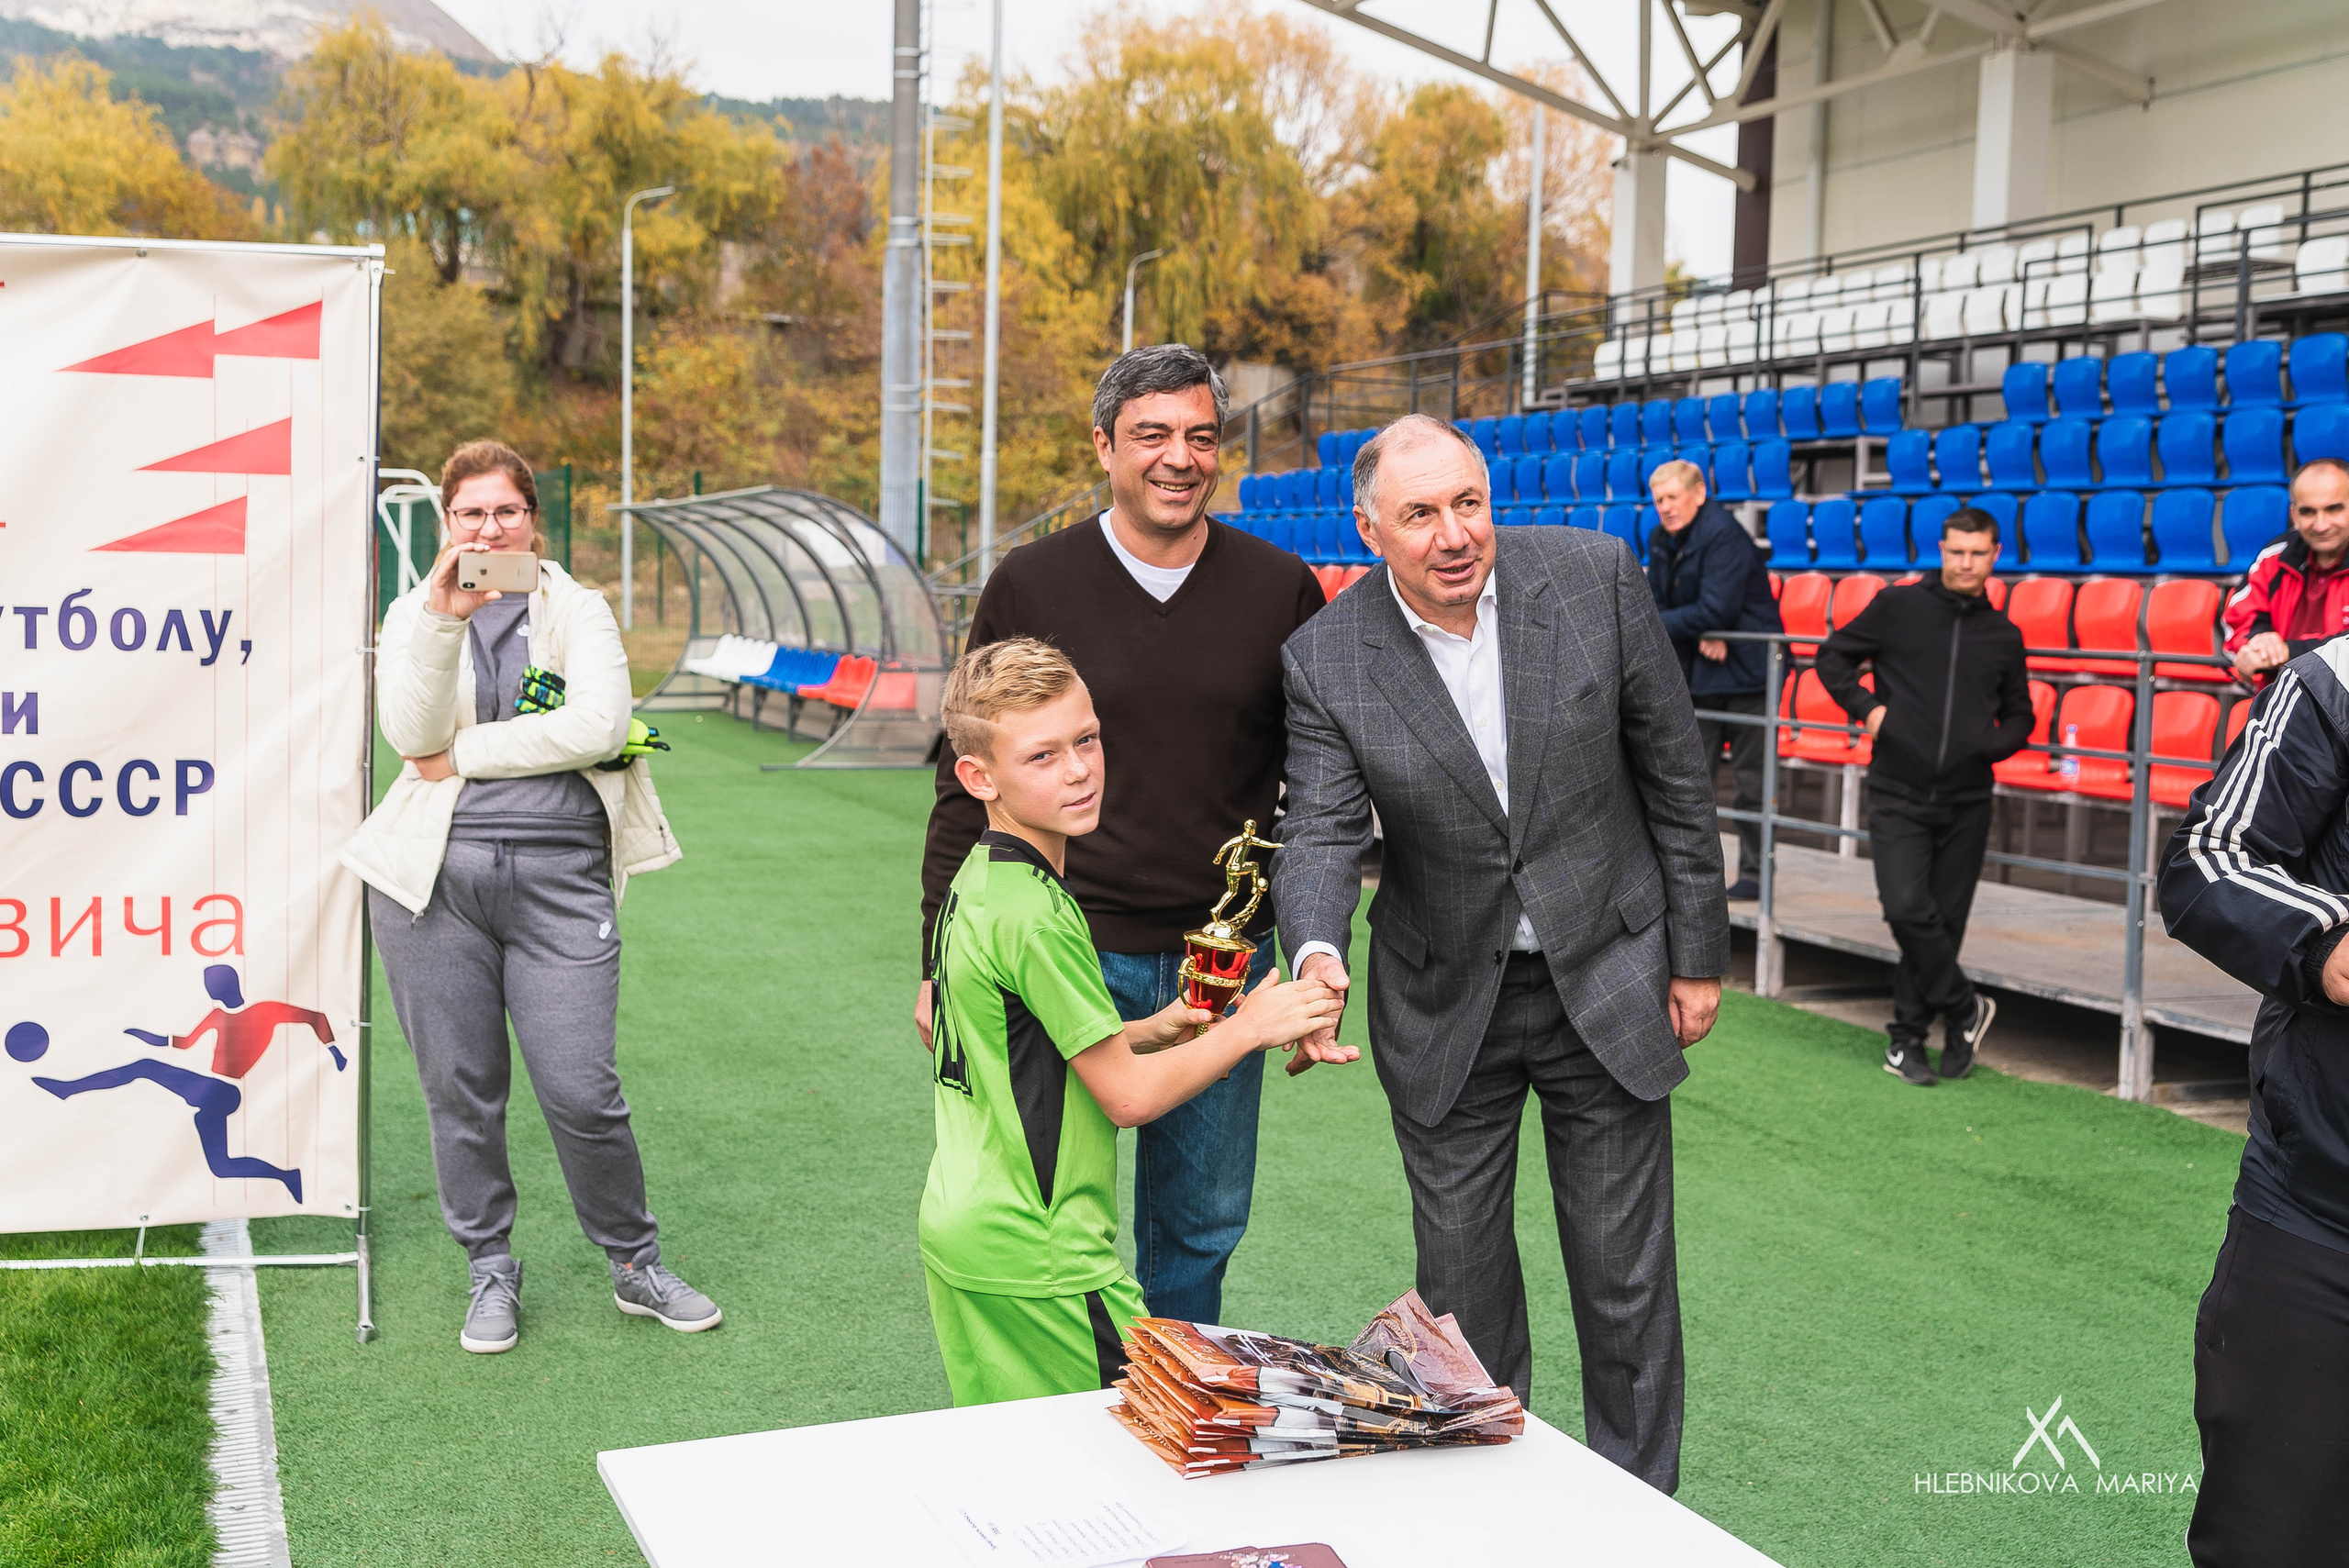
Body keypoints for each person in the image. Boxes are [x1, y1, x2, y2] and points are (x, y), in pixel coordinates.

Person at [1270, 413, 1728, 1494]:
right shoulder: (1325, 658)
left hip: (1609, 979)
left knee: (1624, 1288)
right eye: (1419, 512)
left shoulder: (1593, 577)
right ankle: (1491, 1519)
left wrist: (1696, 950)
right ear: (1371, 526)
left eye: (1466, 503)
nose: (1451, 533)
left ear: (1489, 499)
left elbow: (1674, 772)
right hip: (1445, 1005)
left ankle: (1636, 1518)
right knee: (1462, 1306)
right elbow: (1323, 831)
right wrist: (1316, 949)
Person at [918, 345, 1326, 1326]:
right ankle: (1073, 1409)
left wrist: (1315, 951)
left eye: (1199, 435)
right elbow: (958, 778)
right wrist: (933, 951)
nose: (1177, 456)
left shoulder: (1281, 589)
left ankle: (1170, 1414)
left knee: (1199, 1225)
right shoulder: (1032, 581)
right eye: (1150, 435)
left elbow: (1319, 794)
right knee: (1055, 1211)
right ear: (1104, 447)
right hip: (1066, 945)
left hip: (1218, 960)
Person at [340, 439, 710, 1357]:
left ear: (533, 522)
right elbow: (405, 734)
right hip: (431, 887)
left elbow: (600, 725)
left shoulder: (576, 606)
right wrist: (439, 616)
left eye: (505, 510)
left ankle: (634, 1260)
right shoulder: (415, 611)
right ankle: (490, 1268)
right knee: (461, 1090)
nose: (487, 527)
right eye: (470, 513)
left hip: (559, 881)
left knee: (581, 1086)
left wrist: (461, 755)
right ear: (446, 525)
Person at [922, 638, 1341, 1406]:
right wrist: (1247, 1024)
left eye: (1086, 739)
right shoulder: (1040, 915)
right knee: (1135, 1460)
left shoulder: (981, 881)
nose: (1079, 768)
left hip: (963, 1226)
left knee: (1017, 1472)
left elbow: (1019, 1043)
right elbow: (1129, 1098)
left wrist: (1155, 1027)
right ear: (980, 776)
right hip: (1043, 1254)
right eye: (1042, 756)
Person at [2157, 639, 2349, 1567]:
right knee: (2274, 1538)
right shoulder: (2336, 682)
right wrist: (2323, 945)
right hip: (2320, 1212)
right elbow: (2205, 859)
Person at [1812, 507, 2032, 1087]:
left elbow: (2022, 716)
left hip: (1967, 798)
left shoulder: (2004, 636)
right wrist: (1871, 712)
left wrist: (1985, 747)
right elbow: (1830, 657)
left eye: (1977, 553)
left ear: (1994, 553)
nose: (1965, 563)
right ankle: (1965, 1008)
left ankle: (1908, 1040)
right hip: (1898, 789)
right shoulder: (1898, 607)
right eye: (1956, 551)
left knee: (1944, 920)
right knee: (1907, 908)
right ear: (1941, 549)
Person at [1644, 459, 1783, 901]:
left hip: (1748, 674)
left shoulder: (1724, 534)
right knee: (1688, 779)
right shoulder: (1660, 538)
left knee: (1751, 783)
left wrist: (1707, 626)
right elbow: (1654, 605)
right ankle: (1689, 878)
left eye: (1673, 497)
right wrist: (1701, 629)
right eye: (1658, 499)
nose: (1664, 508)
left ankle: (1756, 875)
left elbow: (1715, 610)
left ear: (1699, 494)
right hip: (1699, 673)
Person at [2223, 458, 2349, 684]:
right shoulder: (2274, 556)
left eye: (2333, 509)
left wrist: (2289, 651)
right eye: (2309, 512)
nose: (2321, 525)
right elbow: (2238, 620)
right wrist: (2259, 642)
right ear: (2294, 515)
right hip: (2280, 706)